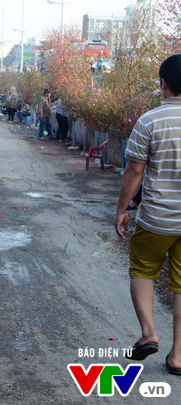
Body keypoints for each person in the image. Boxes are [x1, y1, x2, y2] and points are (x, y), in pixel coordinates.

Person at [115, 54, 181, 375]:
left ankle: (148, 333)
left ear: (163, 83)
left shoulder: (150, 121)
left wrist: (122, 209)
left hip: (156, 219)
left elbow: (134, 171)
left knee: (142, 270)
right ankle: (178, 355)